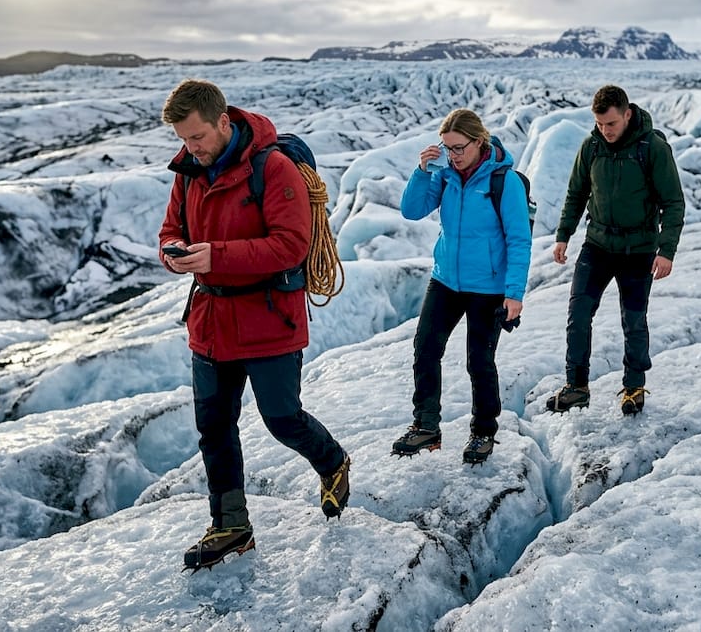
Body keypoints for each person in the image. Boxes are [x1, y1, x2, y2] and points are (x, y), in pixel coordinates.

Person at [158, 79, 350, 571]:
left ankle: (332, 462)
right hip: (211, 321)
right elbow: (170, 231)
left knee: (282, 419)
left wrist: (214, 255)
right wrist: (174, 255)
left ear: (224, 121)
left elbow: (290, 245)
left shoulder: (273, 168)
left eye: (196, 136)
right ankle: (231, 527)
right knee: (214, 428)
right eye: (182, 139)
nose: (190, 148)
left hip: (268, 320)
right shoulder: (188, 173)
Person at [392, 108, 532, 465]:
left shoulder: (504, 182)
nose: (452, 155)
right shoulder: (445, 176)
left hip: (488, 286)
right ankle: (426, 426)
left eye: (458, 148)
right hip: (446, 280)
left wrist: (514, 292)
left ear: (479, 141)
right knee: (425, 348)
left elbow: (519, 239)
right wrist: (422, 172)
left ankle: (483, 432)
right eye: (447, 148)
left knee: (479, 360)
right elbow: (412, 210)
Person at [548, 85, 685, 417]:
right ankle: (577, 387)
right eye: (599, 124)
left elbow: (673, 202)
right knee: (578, 315)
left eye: (610, 123)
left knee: (634, 321)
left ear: (626, 114)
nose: (605, 131)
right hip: (597, 245)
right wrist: (564, 234)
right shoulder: (592, 146)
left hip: (639, 250)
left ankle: (634, 388)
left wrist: (666, 250)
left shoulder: (651, 148)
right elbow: (576, 192)